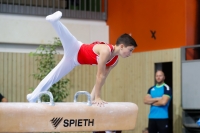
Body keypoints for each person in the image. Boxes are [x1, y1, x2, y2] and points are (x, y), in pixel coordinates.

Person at [27, 11, 137, 106]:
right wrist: (98, 98)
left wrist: (92, 99)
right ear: (122, 46)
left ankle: (33, 97)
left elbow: (102, 79)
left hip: (74, 61)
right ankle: (54, 22)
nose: (130, 53)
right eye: (130, 50)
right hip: (76, 48)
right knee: (66, 36)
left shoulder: (114, 61)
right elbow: (99, 75)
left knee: (53, 76)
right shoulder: (105, 50)